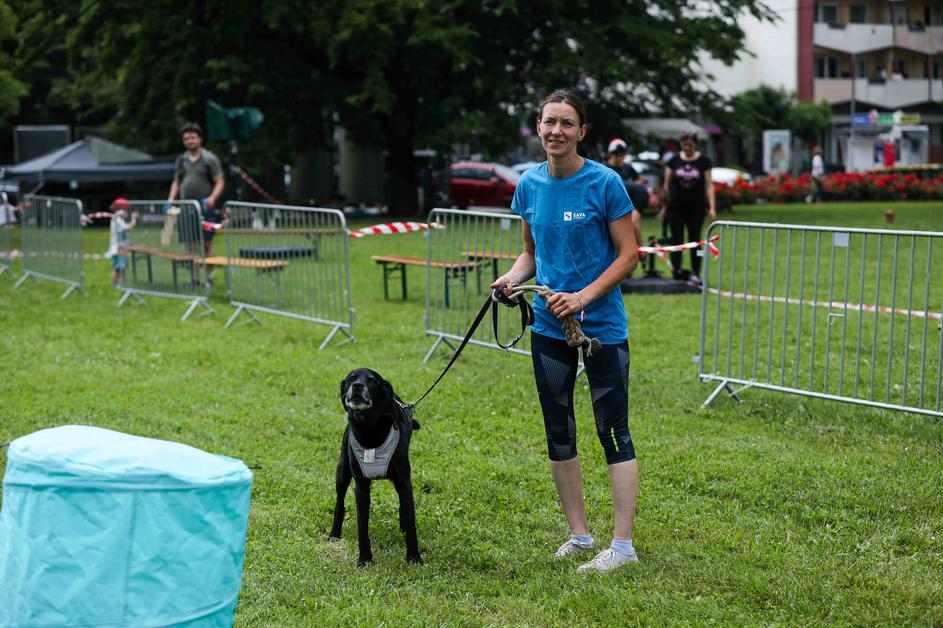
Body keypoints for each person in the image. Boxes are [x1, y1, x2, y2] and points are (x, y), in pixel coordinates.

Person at [491, 89, 641, 573]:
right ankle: (579, 535)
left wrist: (581, 298)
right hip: (548, 329)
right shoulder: (529, 185)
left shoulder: (605, 182)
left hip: (601, 329)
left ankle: (622, 547)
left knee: (612, 430)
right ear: (538, 127)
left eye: (567, 123)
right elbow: (530, 253)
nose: (557, 131)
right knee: (559, 430)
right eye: (549, 121)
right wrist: (512, 279)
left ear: (581, 131)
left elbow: (629, 256)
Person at [167, 122, 226, 283]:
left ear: (199, 139)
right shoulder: (181, 160)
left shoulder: (209, 159)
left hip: (205, 207)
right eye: (186, 139)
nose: (189, 141)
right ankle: (195, 278)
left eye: (192, 137)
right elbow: (176, 181)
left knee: (206, 243)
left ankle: (209, 277)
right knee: (190, 243)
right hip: (186, 207)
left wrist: (213, 197)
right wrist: (171, 198)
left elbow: (219, 181)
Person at [663, 129, 716, 286]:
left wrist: (712, 207)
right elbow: (666, 184)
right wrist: (665, 206)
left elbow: (709, 186)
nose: (687, 148)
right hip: (675, 207)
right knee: (676, 240)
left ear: (695, 144)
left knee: (696, 240)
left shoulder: (704, 161)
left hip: (696, 208)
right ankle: (676, 271)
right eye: (684, 144)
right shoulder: (673, 160)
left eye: (690, 145)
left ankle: (696, 272)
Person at [602, 138, 644, 250]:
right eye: (617, 155)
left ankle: (639, 249)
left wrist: (632, 186)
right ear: (611, 154)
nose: (620, 158)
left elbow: (640, 180)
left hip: (626, 204)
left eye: (622, 155)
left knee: (633, 224)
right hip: (608, 204)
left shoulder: (627, 167)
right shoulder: (604, 168)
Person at [106, 198, 138, 288]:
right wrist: (134, 219)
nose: (127, 212)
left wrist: (129, 242)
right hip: (117, 249)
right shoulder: (117, 220)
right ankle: (116, 285)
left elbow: (123, 233)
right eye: (126, 210)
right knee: (117, 267)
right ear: (121, 210)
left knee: (122, 267)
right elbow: (128, 227)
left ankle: (121, 283)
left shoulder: (119, 219)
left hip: (122, 248)